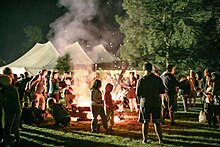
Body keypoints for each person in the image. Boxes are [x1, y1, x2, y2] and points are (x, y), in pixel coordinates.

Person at [136, 62, 165, 144]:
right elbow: (162, 91)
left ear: (143, 69)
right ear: (151, 69)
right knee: (157, 122)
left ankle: (144, 140)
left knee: (145, 122)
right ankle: (160, 139)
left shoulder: (141, 80)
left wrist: (138, 103)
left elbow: (138, 93)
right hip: (156, 102)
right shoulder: (157, 79)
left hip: (145, 103)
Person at [0, 74, 21, 146]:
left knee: (8, 127)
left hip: (11, 111)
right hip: (16, 110)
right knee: (15, 126)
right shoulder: (12, 89)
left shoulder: (8, 90)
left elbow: (6, 101)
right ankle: (17, 141)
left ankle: (6, 141)